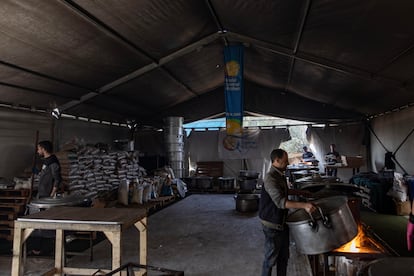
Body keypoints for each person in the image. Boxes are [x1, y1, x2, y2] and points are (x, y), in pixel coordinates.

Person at [259, 149, 316, 276]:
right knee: (270, 259)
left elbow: (284, 191)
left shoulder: (279, 174)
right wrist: (304, 205)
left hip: (282, 221)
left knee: (284, 256)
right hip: (271, 223)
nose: (288, 163)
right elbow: (281, 202)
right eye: (285, 161)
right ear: (276, 160)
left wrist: (300, 193)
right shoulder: (270, 178)